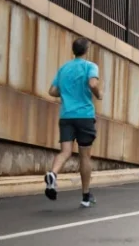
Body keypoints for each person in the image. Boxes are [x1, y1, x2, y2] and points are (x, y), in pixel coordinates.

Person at [44, 37, 102, 207]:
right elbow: (92, 83)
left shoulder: (64, 68)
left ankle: (53, 174)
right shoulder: (90, 66)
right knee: (84, 156)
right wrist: (98, 94)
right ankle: (85, 196)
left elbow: (52, 90)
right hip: (84, 115)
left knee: (65, 151)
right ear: (86, 50)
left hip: (66, 115)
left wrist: (67, 95)